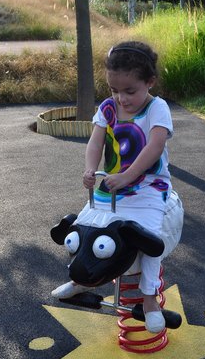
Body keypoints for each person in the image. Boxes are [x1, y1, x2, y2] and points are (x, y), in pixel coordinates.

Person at [52, 41, 175, 333]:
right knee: (84, 227)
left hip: (148, 185)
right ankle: (82, 279)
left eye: (130, 91)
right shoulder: (108, 108)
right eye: (114, 90)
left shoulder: (157, 108)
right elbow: (95, 141)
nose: (121, 98)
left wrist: (129, 175)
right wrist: (89, 169)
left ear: (150, 82)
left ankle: (149, 300)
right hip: (113, 183)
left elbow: (155, 146)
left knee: (149, 239)